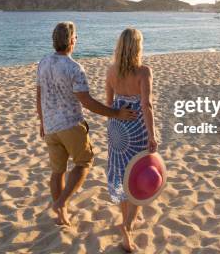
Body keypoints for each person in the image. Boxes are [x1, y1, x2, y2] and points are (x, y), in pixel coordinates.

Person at [36, 22, 137, 227]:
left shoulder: (43, 62)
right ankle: (61, 202)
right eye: (76, 37)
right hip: (70, 125)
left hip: (50, 127)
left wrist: (42, 121)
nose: (77, 40)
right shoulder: (75, 68)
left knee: (58, 171)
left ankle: (61, 215)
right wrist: (116, 113)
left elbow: (39, 95)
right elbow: (87, 102)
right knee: (84, 163)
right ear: (71, 41)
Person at [105, 28, 157, 252]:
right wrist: (152, 135)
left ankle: (128, 216)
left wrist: (116, 120)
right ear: (138, 46)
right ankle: (127, 226)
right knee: (138, 178)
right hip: (136, 129)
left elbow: (108, 105)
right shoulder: (143, 72)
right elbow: (146, 105)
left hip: (117, 128)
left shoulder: (111, 70)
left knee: (121, 173)